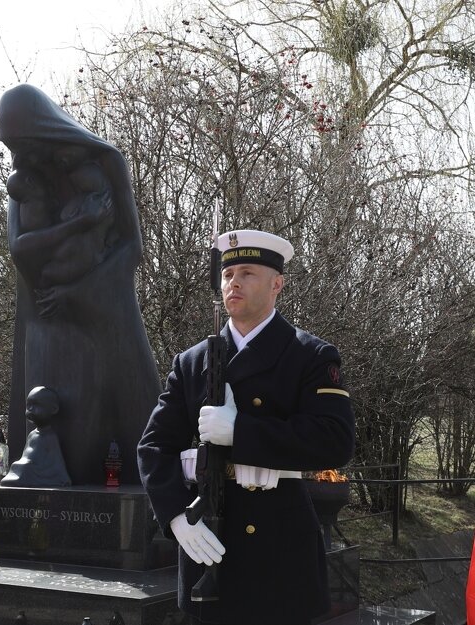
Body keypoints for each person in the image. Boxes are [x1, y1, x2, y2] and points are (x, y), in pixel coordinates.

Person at [137, 229, 355, 625]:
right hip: (208, 542)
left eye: (248, 272)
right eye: (228, 273)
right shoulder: (191, 362)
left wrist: (242, 431)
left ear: (277, 284)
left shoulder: (310, 355)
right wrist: (173, 518)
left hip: (279, 548)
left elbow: (335, 441)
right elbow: (153, 448)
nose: (233, 281)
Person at [0, 83, 160, 485]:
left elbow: (131, 248)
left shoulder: (105, 164)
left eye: (25, 144)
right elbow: (20, 250)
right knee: (52, 419)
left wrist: (77, 294)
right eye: (12, 146)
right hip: (46, 319)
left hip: (101, 314)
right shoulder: (22, 182)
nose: (21, 156)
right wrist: (78, 224)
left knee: (105, 420)